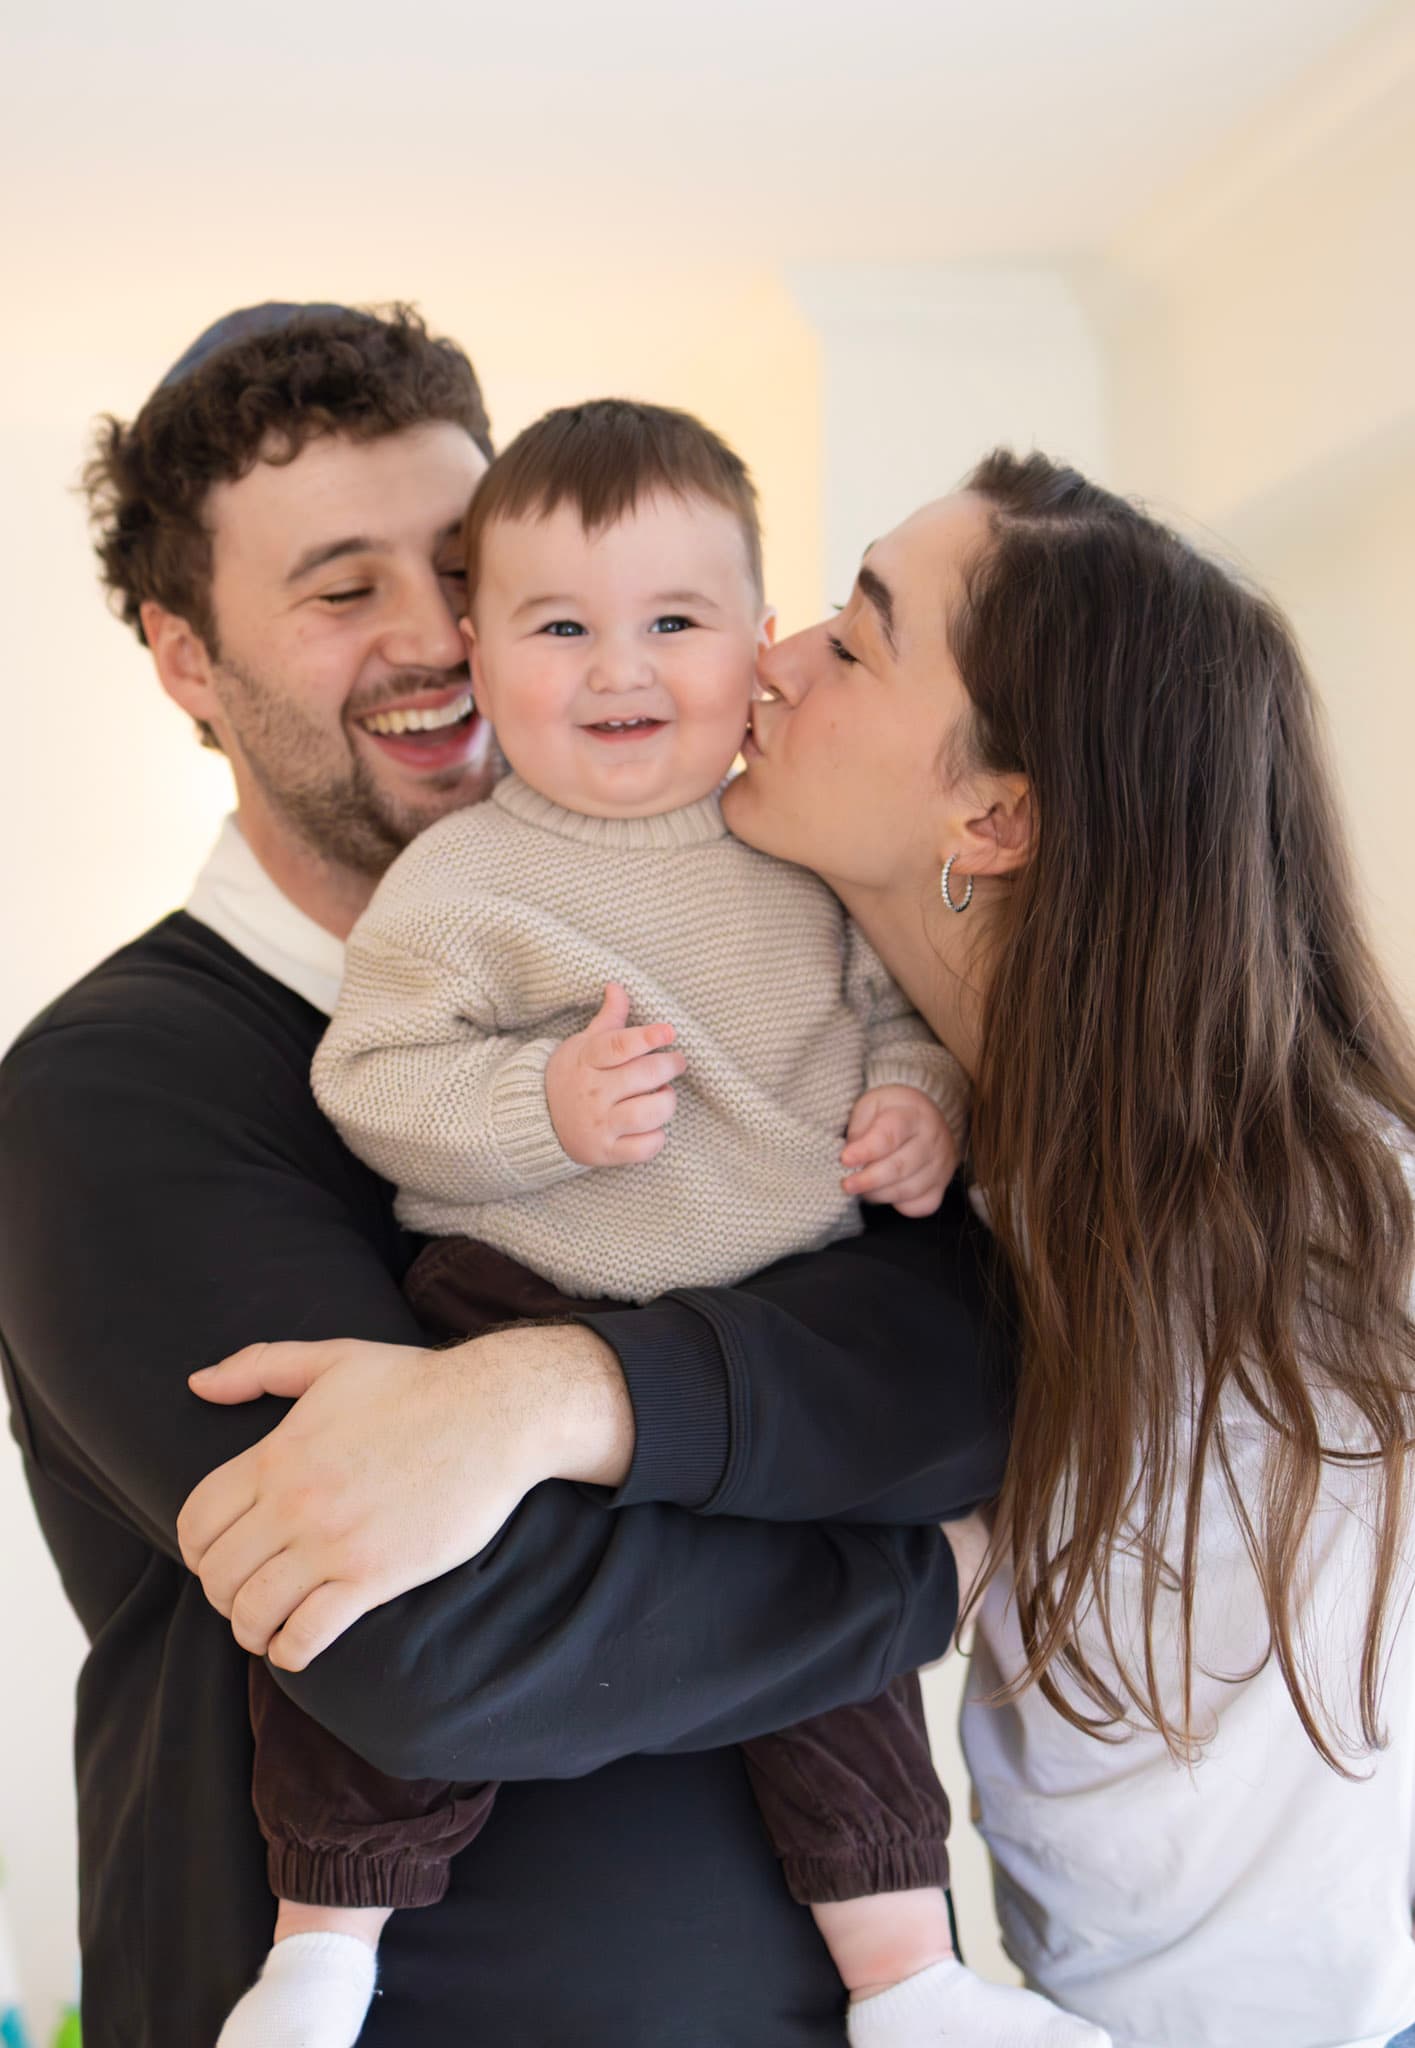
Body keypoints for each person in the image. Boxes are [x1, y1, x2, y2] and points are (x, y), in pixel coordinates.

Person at [185, 448, 1415, 2048]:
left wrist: (538, 1411)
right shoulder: (927, 1163)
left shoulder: (1319, 1227)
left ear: (993, 812)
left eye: (854, 639)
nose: (764, 661)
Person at [0, 302, 1010, 2048]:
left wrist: (554, 1398)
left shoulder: (757, 951)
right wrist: (923, 1574)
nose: (435, 643)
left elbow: (959, 1387)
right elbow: (433, 1641)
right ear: (183, 659)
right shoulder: (112, 1094)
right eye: (338, 591)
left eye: (457, 574)